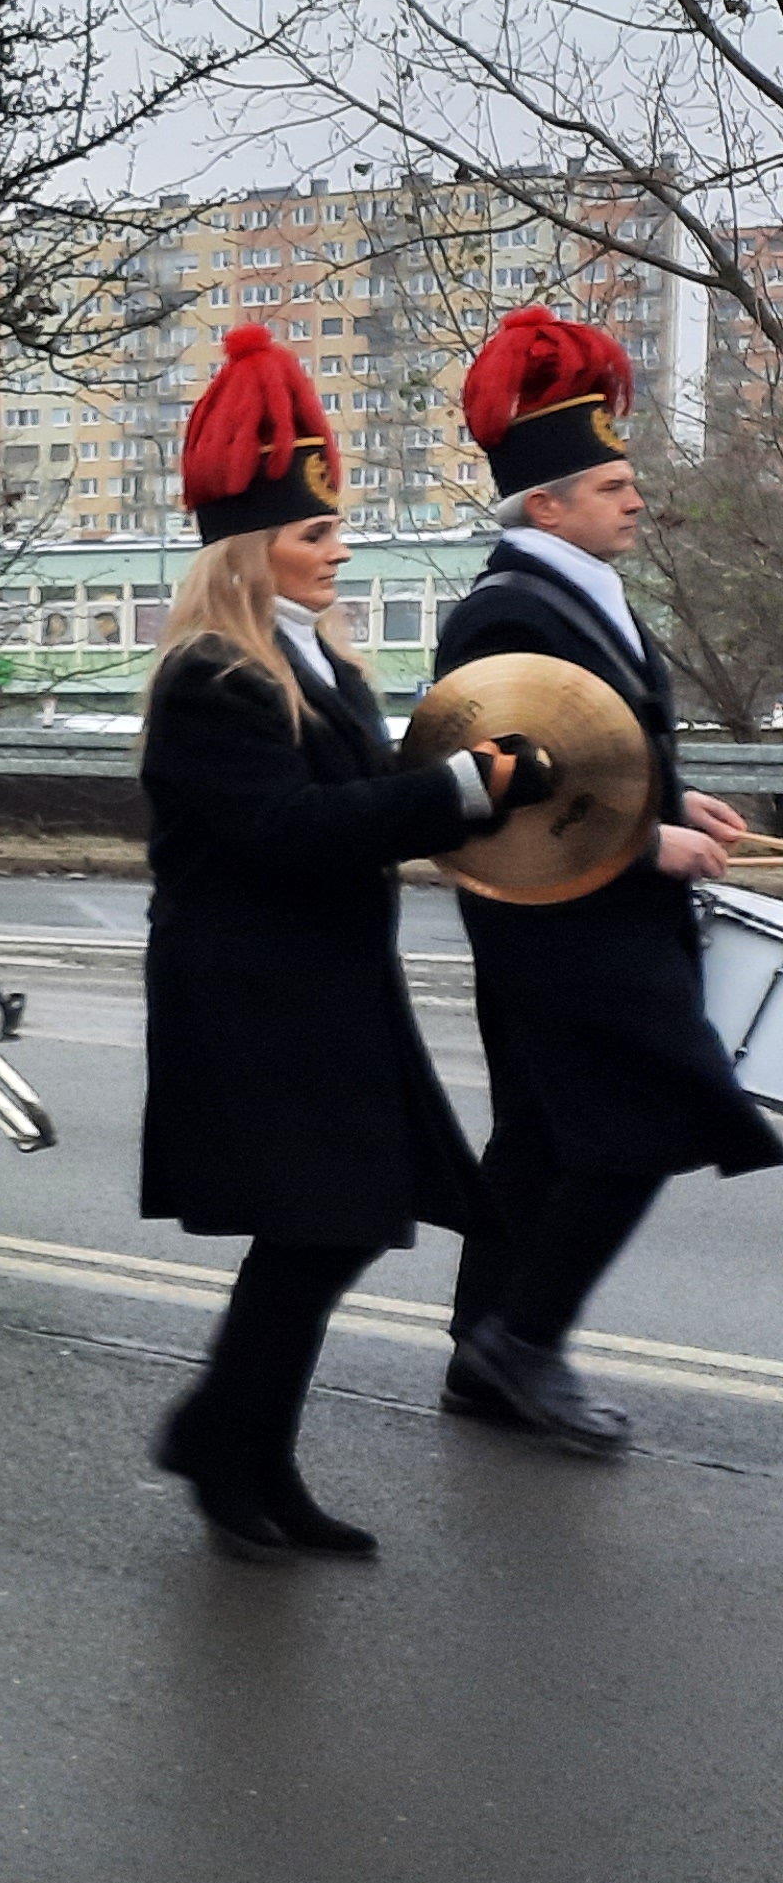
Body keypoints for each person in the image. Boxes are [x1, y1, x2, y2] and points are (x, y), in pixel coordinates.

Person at [138, 330, 528, 1555]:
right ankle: (226, 1448)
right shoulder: (213, 676)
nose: (338, 546)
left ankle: (242, 1449)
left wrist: (502, 784)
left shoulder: (317, 665)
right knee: (319, 1225)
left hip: (324, 991)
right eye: (315, 533)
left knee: (339, 1223)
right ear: (255, 550)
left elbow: (362, 811)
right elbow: (285, 829)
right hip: (252, 997)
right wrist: (454, 790)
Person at [428, 308, 781, 1451]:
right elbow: (503, 778)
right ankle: (524, 1341)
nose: (635, 498)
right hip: (565, 920)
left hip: (583, 919)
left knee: (536, 1135)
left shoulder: (577, 591)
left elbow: (583, 747)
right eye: (611, 482)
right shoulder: (506, 609)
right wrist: (646, 844)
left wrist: (669, 801)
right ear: (546, 504)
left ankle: (481, 1354)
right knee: (648, 1122)